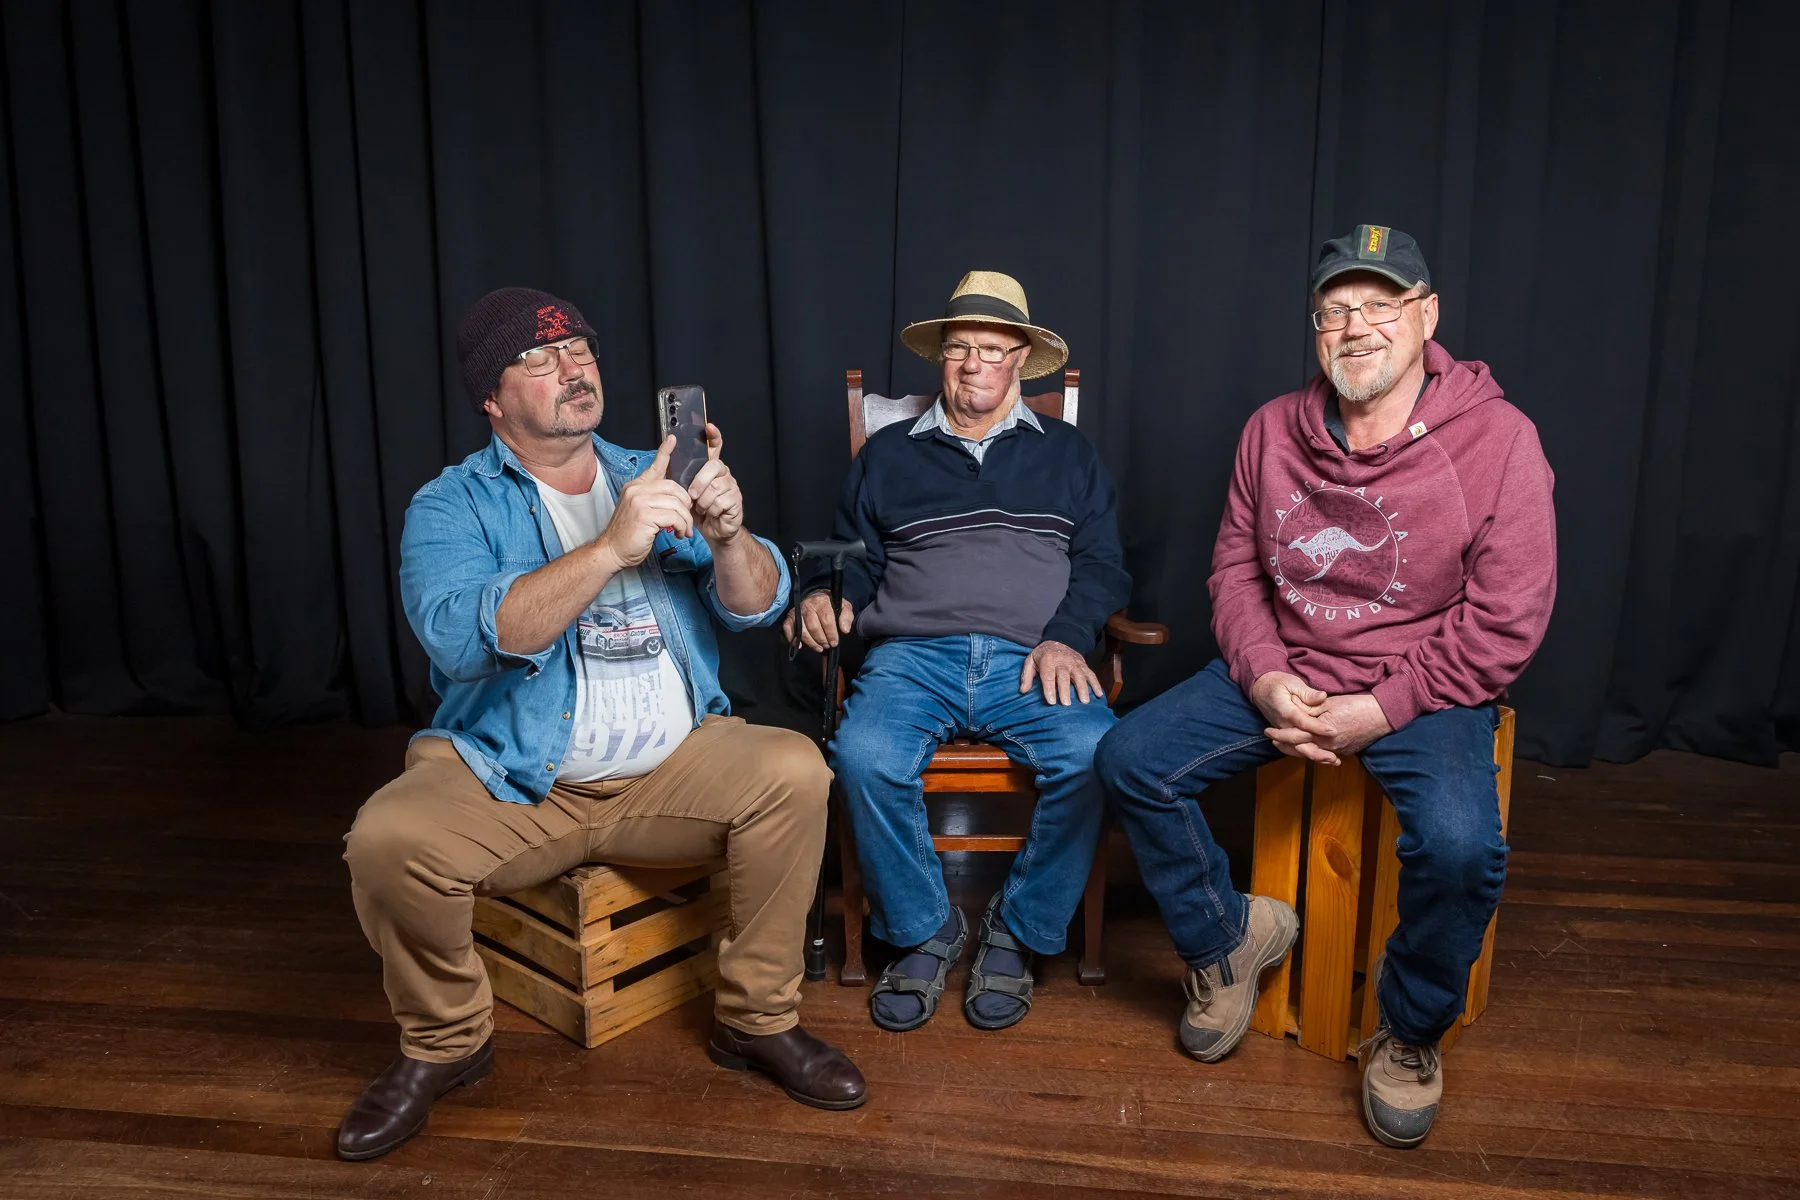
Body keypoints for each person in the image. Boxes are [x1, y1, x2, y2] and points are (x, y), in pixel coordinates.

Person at [337, 287, 865, 1162]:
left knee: (795, 769)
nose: (571, 369)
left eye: (579, 350)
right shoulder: (452, 505)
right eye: (538, 359)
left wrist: (730, 536)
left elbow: (756, 605)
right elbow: (465, 641)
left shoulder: (652, 469)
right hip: (517, 777)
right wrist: (611, 547)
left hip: (672, 769)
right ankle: (446, 1042)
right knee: (387, 839)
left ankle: (756, 1021)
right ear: (491, 398)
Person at [1096, 226, 1556, 1148]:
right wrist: (1265, 676)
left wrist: (1383, 708)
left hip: (1422, 685)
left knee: (1462, 848)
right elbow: (1236, 572)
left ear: (1427, 316)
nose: (1356, 327)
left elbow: (1508, 618)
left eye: (1380, 305)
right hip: (1289, 670)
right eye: (1335, 310)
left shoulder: (1500, 439)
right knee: (1128, 760)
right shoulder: (1272, 429)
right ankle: (1228, 941)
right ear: (1315, 329)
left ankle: (1412, 1029)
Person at [786, 271, 1130, 1033]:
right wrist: (824, 596)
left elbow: (1104, 565)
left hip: (1032, 656)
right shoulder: (887, 455)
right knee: (864, 754)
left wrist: (1067, 637)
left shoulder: (1068, 454)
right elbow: (853, 560)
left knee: (1095, 752)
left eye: (992, 349)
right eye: (958, 348)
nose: (974, 364)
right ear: (940, 357)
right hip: (913, 657)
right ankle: (923, 928)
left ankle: (1019, 929)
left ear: (1021, 359)